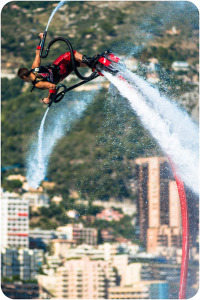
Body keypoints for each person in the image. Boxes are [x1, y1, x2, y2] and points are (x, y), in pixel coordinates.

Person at [17, 33, 94, 104]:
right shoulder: (36, 72)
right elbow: (38, 52)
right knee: (71, 55)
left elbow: (38, 52)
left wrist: (48, 99)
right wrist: (42, 39)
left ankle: (94, 63)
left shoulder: (37, 80)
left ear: (24, 77)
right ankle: (91, 62)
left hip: (60, 72)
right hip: (59, 69)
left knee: (75, 62)